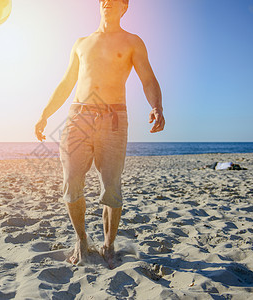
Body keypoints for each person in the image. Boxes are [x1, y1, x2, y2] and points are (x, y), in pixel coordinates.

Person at [34, 0, 165, 268]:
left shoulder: (132, 41)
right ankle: (81, 239)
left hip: (114, 119)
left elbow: (148, 78)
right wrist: (45, 113)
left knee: (111, 188)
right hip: (78, 117)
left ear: (124, 7)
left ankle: (108, 244)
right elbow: (67, 82)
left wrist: (156, 106)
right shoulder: (81, 43)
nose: (106, 2)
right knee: (71, 182)